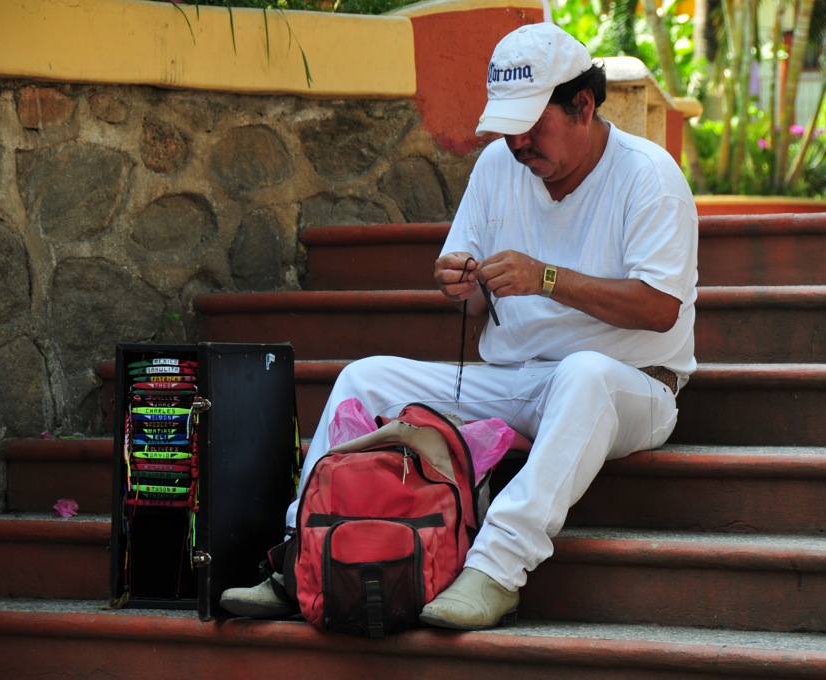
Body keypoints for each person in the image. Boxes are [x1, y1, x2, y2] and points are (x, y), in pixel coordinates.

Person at [220, 21, 699, 630]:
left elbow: (661, 307)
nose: (518, 143)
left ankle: (495, 570)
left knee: (584, 375)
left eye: (533, 124)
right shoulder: (499, 167)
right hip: (512, 378)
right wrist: (461, 287)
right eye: (509, 127)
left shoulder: (648, 176)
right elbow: (474, 307)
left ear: (583, 105)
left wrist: (547, 278)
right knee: (366, 379)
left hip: (633, 385)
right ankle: (302, 555)